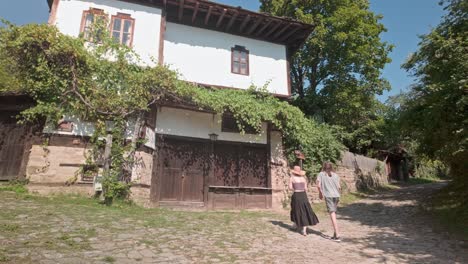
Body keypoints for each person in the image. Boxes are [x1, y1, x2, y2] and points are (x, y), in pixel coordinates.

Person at [289, 165, 319, 236]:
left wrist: (295, 187)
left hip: (296, 194)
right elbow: (306, 188)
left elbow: (290, 188)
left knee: (296, 209)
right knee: (305, 210)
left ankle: (296, 224)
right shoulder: (303, 179)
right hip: (303, 195)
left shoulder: (292, 178)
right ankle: (304, 230)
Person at [316, 162, 341, 241]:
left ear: (324, 167)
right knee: (334, 213)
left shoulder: (321, 174)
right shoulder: (336, 175)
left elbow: (318, 185)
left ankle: (337, 235)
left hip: (329, 196)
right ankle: (335, 234)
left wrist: (320, 193)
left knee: (332, 214)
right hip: (336, 196)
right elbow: (339, 187)